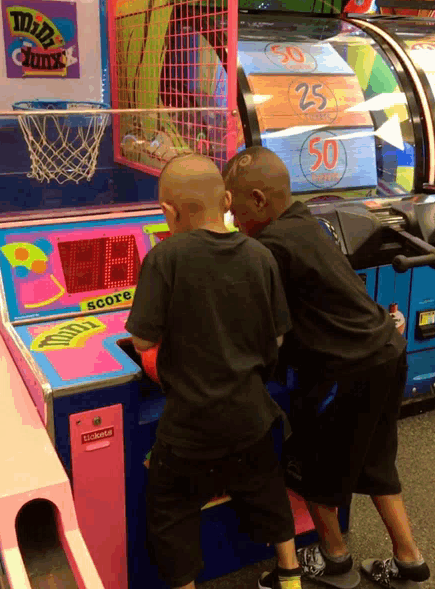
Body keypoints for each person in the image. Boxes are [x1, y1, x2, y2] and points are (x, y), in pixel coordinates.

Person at [223, 146, 431, 589]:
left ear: (259, 200)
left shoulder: (268, 246)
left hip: (345, 369)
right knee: (376, 461)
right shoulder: (306, 222)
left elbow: (256, 322)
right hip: (385, 352)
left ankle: (335, 559)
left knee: (310, 465)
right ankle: (409, 560)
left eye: (234, 206)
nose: (233, 218)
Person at [125, 153, 303, 589]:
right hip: (251, 417)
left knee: (171, 510)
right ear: (226, 199)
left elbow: (144, 341)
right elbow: (278, 337)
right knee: (266, 488)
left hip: (191, 428)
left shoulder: (165, 257)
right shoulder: (261, 255)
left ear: (167, 212)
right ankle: (290, 573)